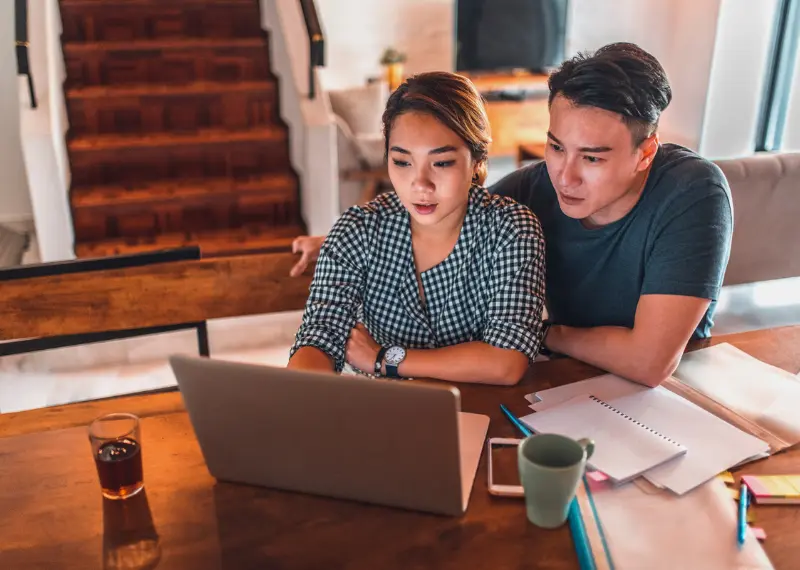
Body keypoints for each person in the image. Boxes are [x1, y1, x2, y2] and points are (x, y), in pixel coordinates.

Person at [290, 43, 733, 388]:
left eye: (592, 159)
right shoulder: (535, 188)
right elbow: (444, 212)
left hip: (672, 394)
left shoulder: (692, 192)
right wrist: (336, 241)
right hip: (563, 383)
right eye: (556, 146)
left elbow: (650, 362)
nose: (565, 176)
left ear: (644, 153)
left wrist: (541, 335)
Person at [287, 72, 546, 385]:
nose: (420, 184)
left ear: (477, 160)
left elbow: (507, 361)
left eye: (442, 163)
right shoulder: (357, 230)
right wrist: (298, 397)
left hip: (484, 412)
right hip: (386, 413)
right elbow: (319, 336)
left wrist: (384, 359)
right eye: (402, 162)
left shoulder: (511, 229)